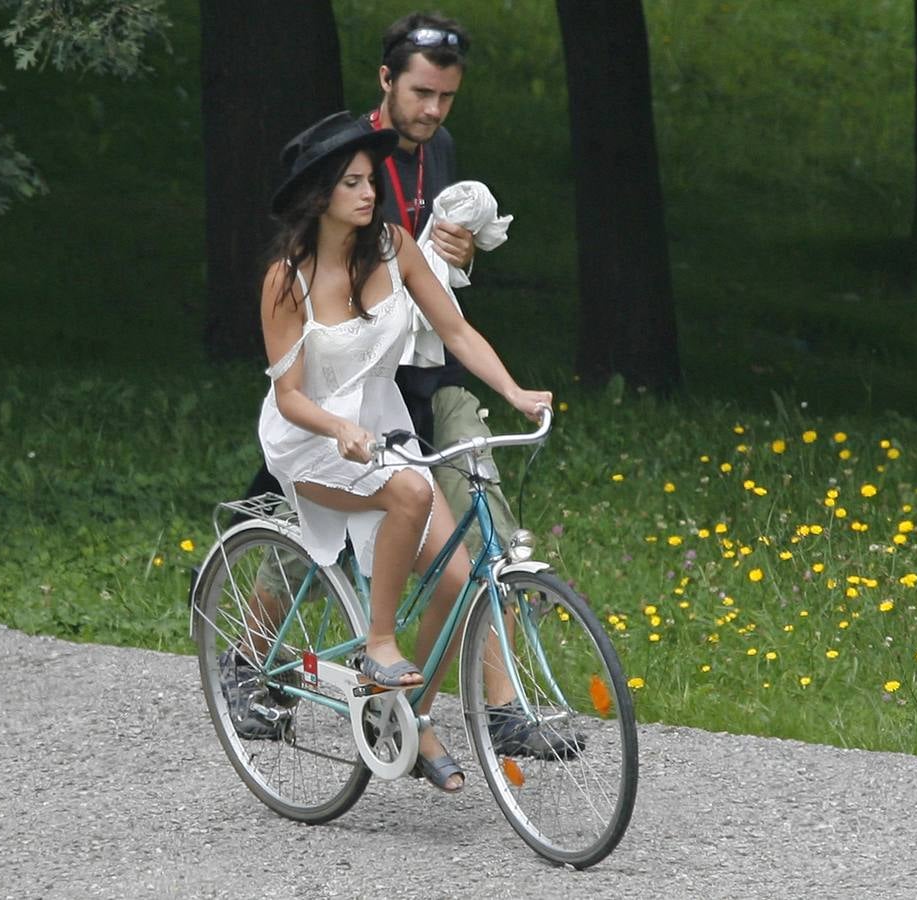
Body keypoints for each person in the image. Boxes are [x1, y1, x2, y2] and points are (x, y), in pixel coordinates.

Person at [250, 110, 551, 792]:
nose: (367, 193)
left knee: (453, 576)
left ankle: (407, 720)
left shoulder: (392, 247)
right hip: (310, 438)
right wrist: (338, 431)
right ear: (319, 193)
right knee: (411, 490)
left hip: (382, 428)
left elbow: (455, 329)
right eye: (351, 182)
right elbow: (290, 395)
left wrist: (514, 390)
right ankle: (378, 645)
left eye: (369, 181)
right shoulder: (286, 280)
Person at [245, 12, 518, 561]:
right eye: (421, 93)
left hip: (428, 366)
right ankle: (249, 641)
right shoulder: (348, 158)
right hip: (353, 374)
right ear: (387, 80)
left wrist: (461, 254)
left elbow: (433, 270)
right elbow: (314, 263)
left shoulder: (440, 149)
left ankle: (499, 605)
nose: (433, 110)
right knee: (312, 540)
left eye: (447, 97)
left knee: (481, 516)